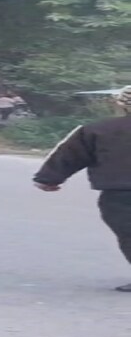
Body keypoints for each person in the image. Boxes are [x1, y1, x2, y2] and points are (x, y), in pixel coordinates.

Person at [33, 86, 131, 292]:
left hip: (121, 193)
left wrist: (48, 179)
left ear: (121, 104)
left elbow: (69, 154)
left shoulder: (99, 129)